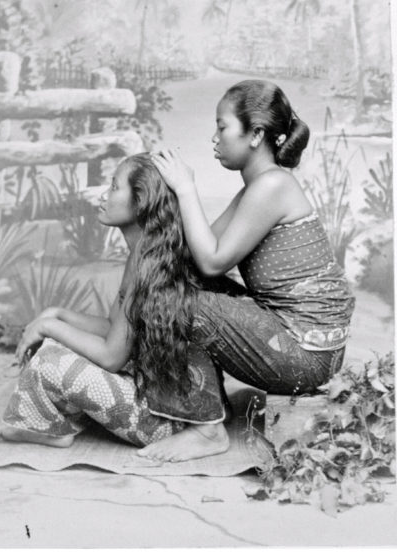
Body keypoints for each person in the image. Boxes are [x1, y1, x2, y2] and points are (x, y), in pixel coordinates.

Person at [144, 79, 355, 461]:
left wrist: (186, 189)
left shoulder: (272, 186)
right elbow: (197, 258)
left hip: (307, 356)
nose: (214, 138)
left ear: (255, 133)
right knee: (181, 283)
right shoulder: (257, 188)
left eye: (222, 127)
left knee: (177, 303)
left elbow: (212, 259)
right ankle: (204, 404)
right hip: (295, 340)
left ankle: (207, 433)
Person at [1, 154, 228, 459]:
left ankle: (38, 426)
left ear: (140, 202)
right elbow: (114, 328)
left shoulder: (147, 259)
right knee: (57, 342)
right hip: (168, 402)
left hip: (167, 420)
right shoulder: (148, 250)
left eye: (113, 187)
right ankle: (41, 425)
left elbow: (110, 356)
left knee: (50, 359)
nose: (102, 196)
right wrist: (56, 314)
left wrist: (47, 326)